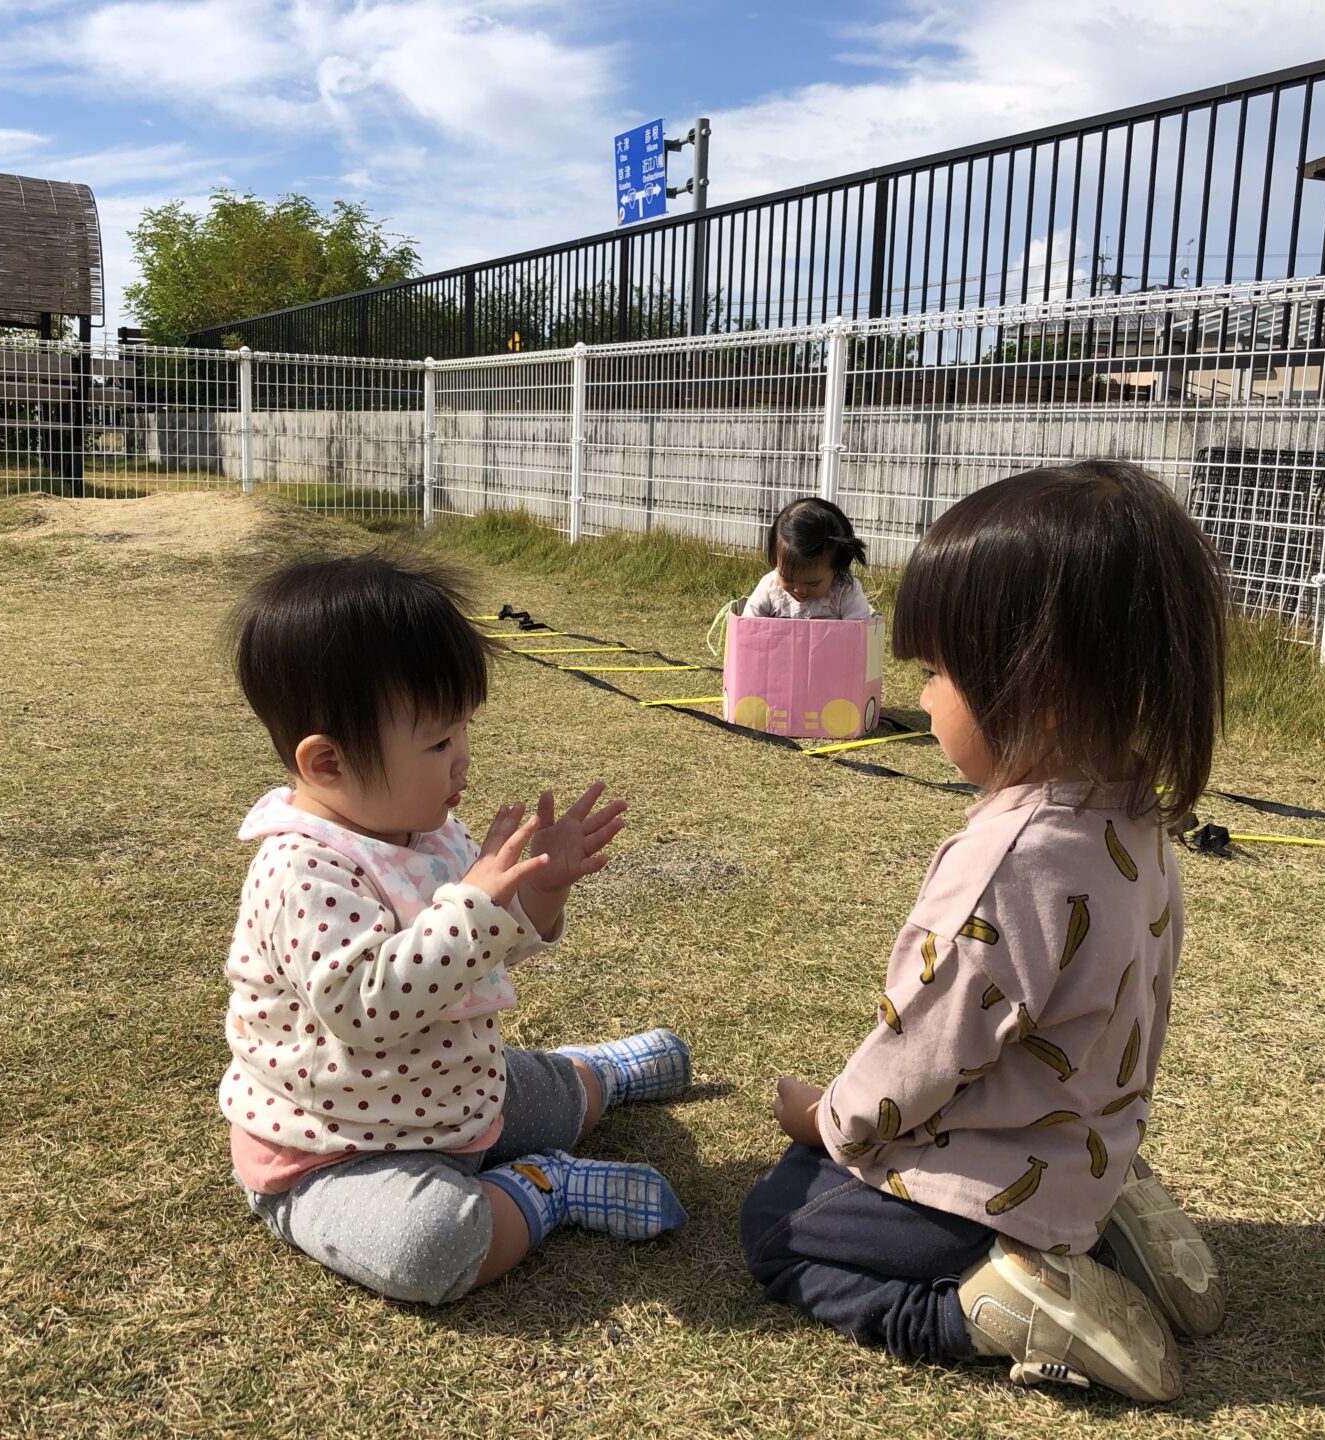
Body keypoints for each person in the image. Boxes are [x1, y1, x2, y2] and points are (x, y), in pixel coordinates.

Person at [739, 460, 1231, 1403]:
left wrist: (824, 1120)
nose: (921, 699)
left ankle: (990, 1301)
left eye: (936, 673)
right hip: (1080, 1155)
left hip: (977, 1194)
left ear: (1033, 685)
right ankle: (1103, 1220)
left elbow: (923, 1047)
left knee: (774, 1220)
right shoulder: (1135, 821)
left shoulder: (1008, 857)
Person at [221, 552, 691, 1306]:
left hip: (458, 1095)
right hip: (337, 1151)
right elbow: (365, 1008)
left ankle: (595, 1075)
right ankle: (546, 1188)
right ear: (328, 760)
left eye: (463, 730)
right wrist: (471, 905)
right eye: (439, 742)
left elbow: (478, 948)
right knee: (430, 1244)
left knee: (541, 1096)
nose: (462, 759)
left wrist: (537, 894)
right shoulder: (300, 871)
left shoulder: (421, 828)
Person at [742, 496, 874, 620]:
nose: (799, 590)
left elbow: (859, 632)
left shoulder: (845, 592)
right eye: (787, 579)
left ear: (836, 568)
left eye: (813, 584)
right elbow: (748, 625)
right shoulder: (770, 588)